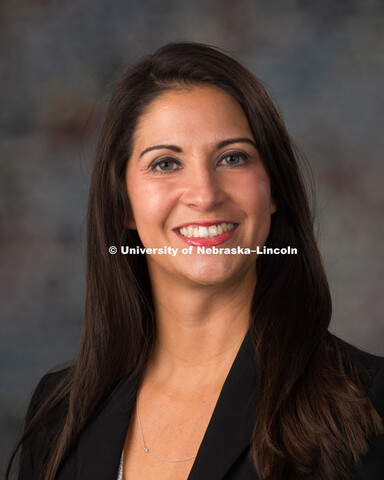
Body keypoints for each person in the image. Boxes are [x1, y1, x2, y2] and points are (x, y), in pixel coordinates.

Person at [7, 42, 384, 480]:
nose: (205, 194)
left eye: (233, 158)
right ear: (123, 206)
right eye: (166, 164)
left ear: (273, 189)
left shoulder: (368, 402)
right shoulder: (59, 415)